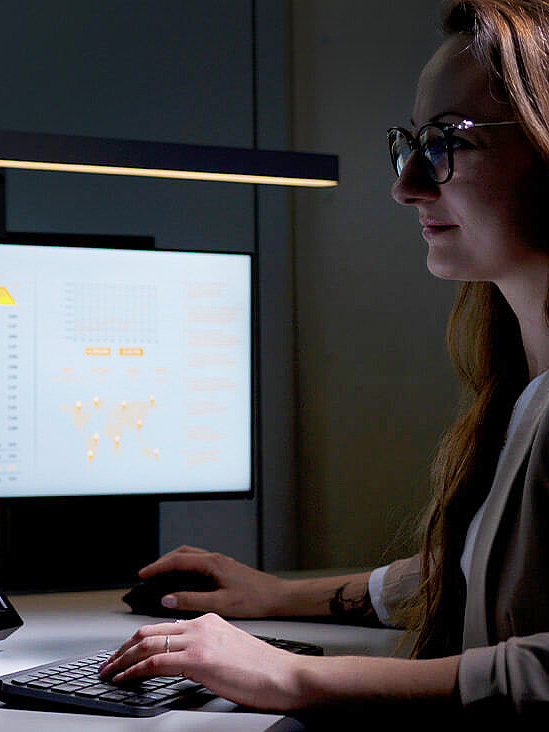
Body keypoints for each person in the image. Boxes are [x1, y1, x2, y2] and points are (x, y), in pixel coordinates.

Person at [100, 0, 549, 718]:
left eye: (447, 141)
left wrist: (295, 678)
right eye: (407, 143)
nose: (407, 184)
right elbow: (488, 571)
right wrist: (278, 597)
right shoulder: (524, 388)